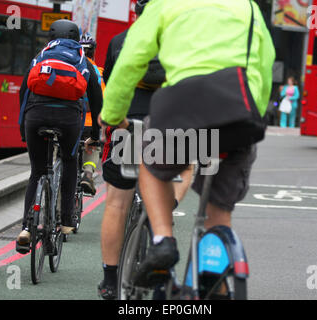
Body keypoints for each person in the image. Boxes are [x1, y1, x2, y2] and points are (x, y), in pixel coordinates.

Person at [98, 0, 275, 287]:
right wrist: (258, 112)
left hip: (182, 108)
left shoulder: (163, 5)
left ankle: (163, 239)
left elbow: (130, 60)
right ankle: (216, 279)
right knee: (218, 217)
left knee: (152, 163)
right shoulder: (248, 6)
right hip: (238, 112)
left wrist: (112, 115)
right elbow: (265, 63)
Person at [94, 0, 194, 300]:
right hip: (169, 121)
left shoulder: (119, 41)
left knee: (116, 203)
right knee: (188, 166)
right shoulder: (180, 38)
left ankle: (110, 281)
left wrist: (109, 123)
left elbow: (110, 85)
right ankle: (161, 214)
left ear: (135, 13)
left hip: (129, 124)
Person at [16, 20, 103, 253]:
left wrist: (23, 125)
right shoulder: (82, 60)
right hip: (69, 120)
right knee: (68, 160)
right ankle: (66, 221)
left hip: (36, 116)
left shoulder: (40, 56)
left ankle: (26, 228)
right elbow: (96, 100)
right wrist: (95, 133)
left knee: (37, 171)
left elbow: (24, 91)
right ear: (76, 38)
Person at [79, 33, 105, 196]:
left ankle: (58, 210)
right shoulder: (99, 72)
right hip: (90, 123)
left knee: (65, 164)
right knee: (93, 147)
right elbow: (103, 101)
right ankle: (88, 173)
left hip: (71, 121)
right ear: (93, 52)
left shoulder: (71, 67)